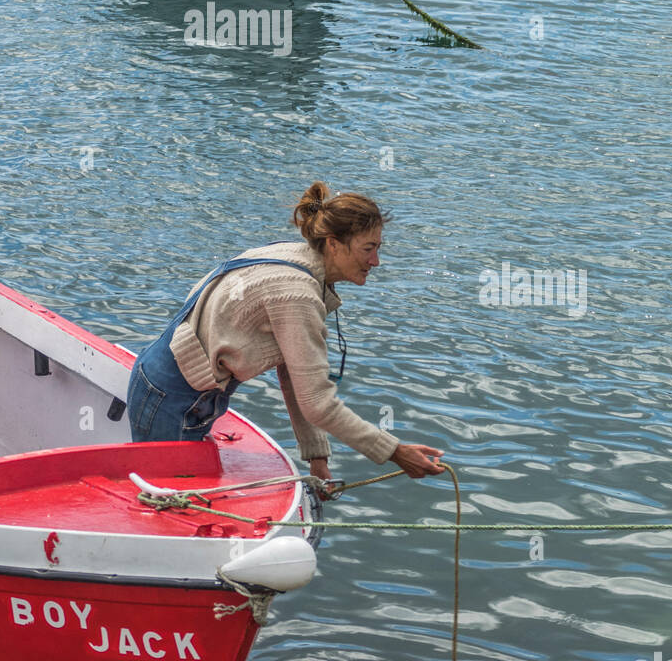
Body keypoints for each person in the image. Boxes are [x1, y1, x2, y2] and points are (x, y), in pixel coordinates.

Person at [127, 181, 444, 485]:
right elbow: (317, 401)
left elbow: (294, 374)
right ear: (333, 243)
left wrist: (316, 456)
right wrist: (394, 452)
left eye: (377, 248)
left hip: (163, 380)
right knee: (170, 502)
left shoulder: (293, 256)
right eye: (368, 248)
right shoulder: (297, 294)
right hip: (172, 399)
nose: (376, 261)